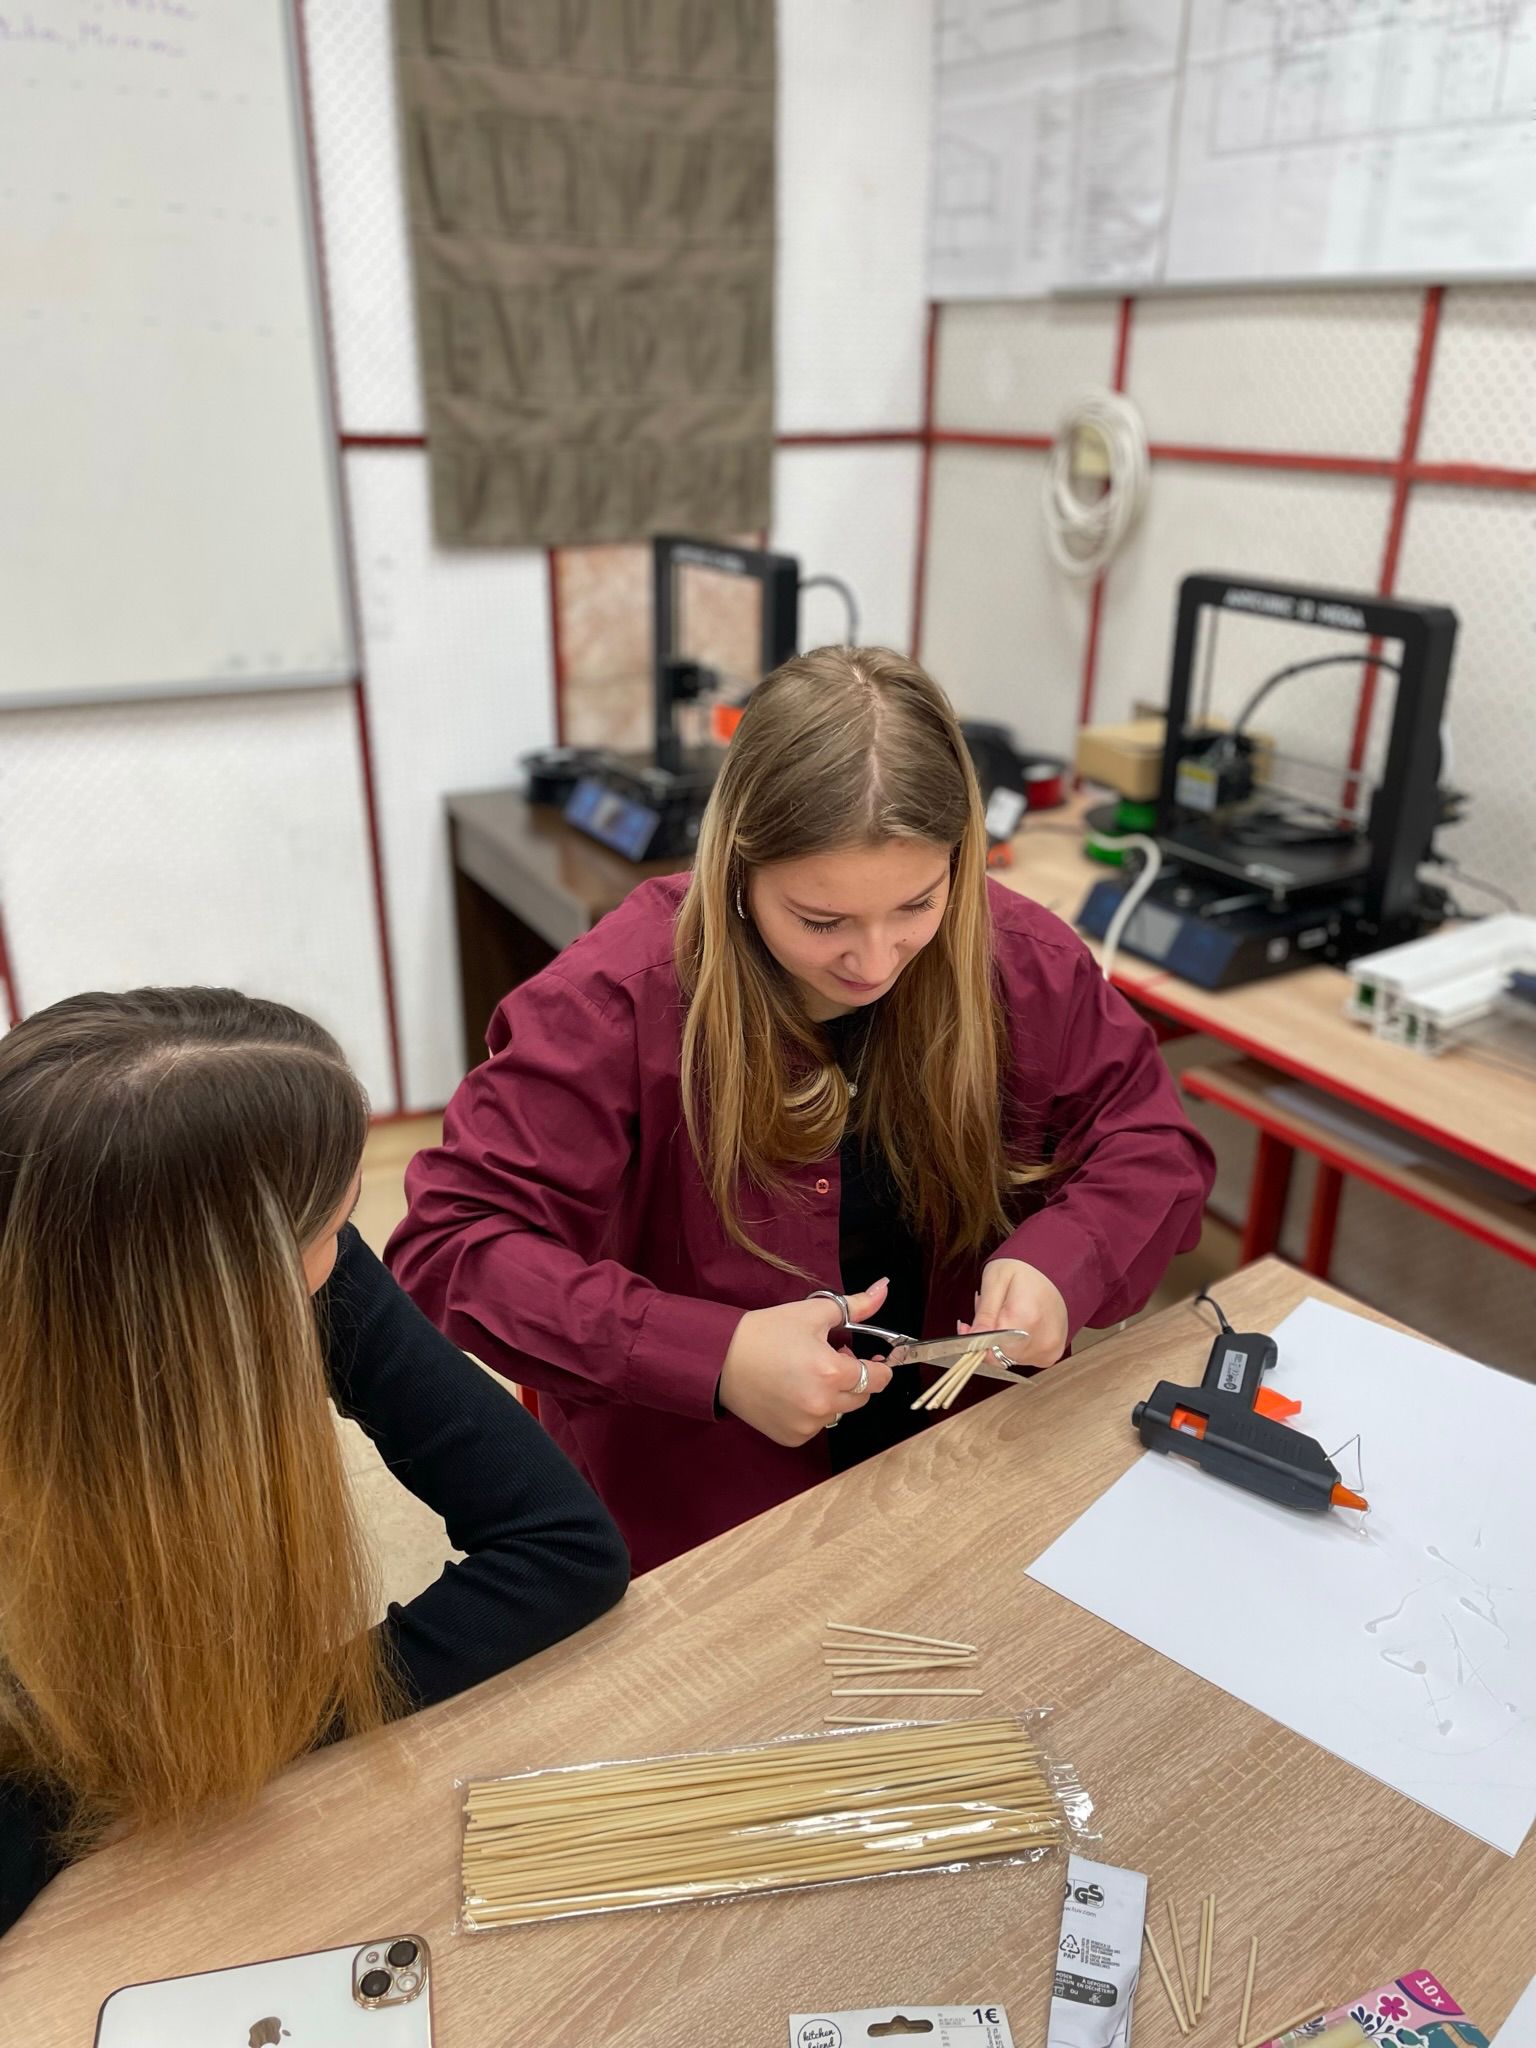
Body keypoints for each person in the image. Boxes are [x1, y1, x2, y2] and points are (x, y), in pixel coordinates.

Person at [389, 648, 1215, 1573]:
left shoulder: (1021, 958)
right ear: (737, 868)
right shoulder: (613, 1002)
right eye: (822, 921)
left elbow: (1153, 1144)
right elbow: (450, 1243)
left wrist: (1065, 1264)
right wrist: (713, 1354)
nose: (875, 960)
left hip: (968, 1456)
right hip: (713, 1502)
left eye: (917, 904)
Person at [0, 989, 628, 1941]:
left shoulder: (225, 1255)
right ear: (211, 1287)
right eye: (331, 1231)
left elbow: (564, 1548)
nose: (347, 1257)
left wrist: (235, 1729)